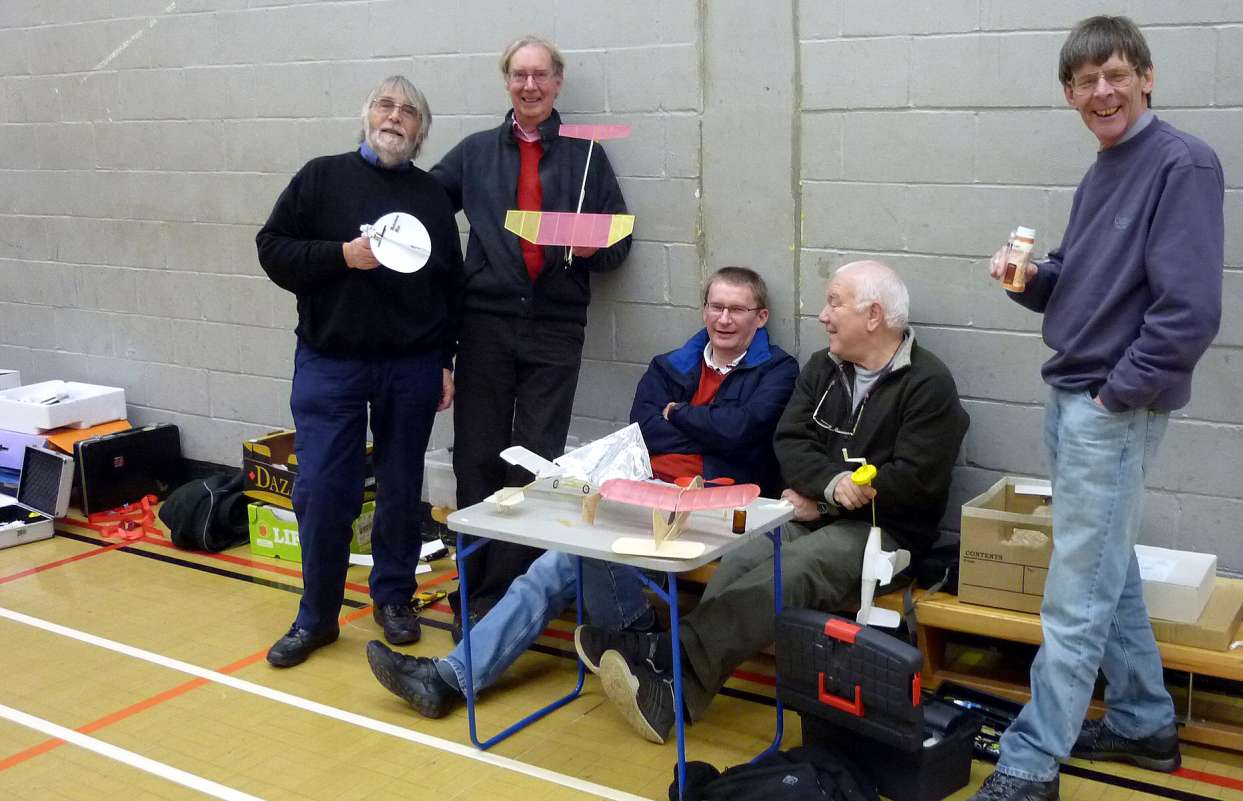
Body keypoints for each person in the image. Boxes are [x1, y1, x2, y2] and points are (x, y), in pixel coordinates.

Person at [970, 16, 1224, 801]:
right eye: (1085, 81)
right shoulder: (1103, 169)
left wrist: (1117, 394)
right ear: (1068, 95)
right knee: (1103, 573)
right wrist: (1027, 279)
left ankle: (1029, 763)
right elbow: (1076, 280)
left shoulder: (1180, 163)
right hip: (1074, 395)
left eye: (1115, 74)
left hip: (1108, 406)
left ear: (1146, 77)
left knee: (1073, 593)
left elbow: (1188, 313)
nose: (1101, 91)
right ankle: (1145, 721)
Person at [364, 268, 797, 717]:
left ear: (761, 316)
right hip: (643, 496)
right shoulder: (671, 364)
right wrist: (702, 428)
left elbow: (741, 432)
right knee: (554, 564)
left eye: (737, 309)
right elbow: (645, 429)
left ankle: (456, 676)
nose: (724, 319)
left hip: (713, 508)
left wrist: (678, 415)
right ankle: (455, 677)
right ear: (704, 309)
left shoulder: (779, 371)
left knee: (570, 556)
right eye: (716, 306)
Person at [574, 260, 969, 744]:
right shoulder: (824, 368)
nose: (823, 315)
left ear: (873, 316)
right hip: (812, 510)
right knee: (742, 558)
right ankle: (675, 690)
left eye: (835, 303)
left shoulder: (928, 383)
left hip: (883, 531)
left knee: (793, 570)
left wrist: (827, 503)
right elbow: (790, 441)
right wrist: (830, 488)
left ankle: (659, 654)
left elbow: (915, 482)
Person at [255, 75, 462, 668]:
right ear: (367, 116)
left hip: (411, 366)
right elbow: (272, 248)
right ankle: (316, 616)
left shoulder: (431, 198)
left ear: (421, 131)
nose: (395, 117)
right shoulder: (320, 178)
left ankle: (393, 598)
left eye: (409, 111)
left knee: (400, 488)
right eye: (385, 106)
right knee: (324, 490)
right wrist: (340, 256)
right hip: (331, 364)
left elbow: (451, 286)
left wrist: (444, 360)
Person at [429, 35, 632, 630]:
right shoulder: (473, 153)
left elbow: (620, 244)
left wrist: (589, 245)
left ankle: (508, 596)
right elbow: (422, 208)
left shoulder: (587, 156)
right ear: (506, 82)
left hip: (556, 328)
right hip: (485, 326)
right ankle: (474, 590)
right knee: (476, 457)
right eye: (519, 75)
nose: (530, 86)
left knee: (535, 462)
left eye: (541, 75)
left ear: (558, 82)